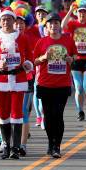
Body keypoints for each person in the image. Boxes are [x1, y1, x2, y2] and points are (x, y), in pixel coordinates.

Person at [0, 9, 33, 159]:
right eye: (3, 20)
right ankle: (6, 144)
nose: (6, 22)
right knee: (3, 114)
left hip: (18, 79)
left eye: (9, 19)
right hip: (1, 81)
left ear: (14, 21)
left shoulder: (23, 38)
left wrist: (27, 63)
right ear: (0, 22)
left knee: (17, 114)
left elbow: (30, 56)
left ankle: (16, 147)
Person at [33, 13, 77, 158]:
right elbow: (34, 62)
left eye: (56, 23)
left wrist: (71, 59)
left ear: (60, 25)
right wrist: (43, 57)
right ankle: (50, 143)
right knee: (48, 116)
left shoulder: (68, 40)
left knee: (58, 115)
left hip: (62, 84)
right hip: (45, 84)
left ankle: (57, 145)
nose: (54, 26)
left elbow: (75, 57)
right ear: (46, 26)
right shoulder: (42, 42)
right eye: (50, 23)